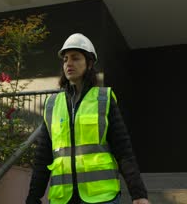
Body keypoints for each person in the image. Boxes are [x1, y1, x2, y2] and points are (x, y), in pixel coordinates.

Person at [26, 33, 149, 204]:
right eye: (65, 59)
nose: (69, 63)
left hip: (101, 197)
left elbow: (123, 150)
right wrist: (33, 196)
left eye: (75, 58)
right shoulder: (52, 104)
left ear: (89, 63)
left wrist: (138, 194)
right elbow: (43, 156)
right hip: (63, 198)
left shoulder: (104, 99)